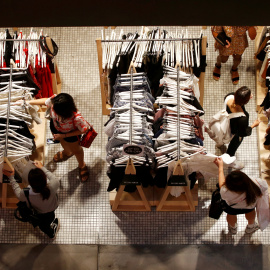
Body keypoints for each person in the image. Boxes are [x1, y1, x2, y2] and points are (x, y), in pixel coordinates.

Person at [27, 93, 90, 182]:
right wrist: (27, 102)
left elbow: (84, 129)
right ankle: (68, 152)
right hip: (57, 129)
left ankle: (82, 165)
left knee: (77, 150)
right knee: (62, 142)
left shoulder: (76, 118)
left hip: (70, 134)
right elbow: (45, 101)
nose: (52, 108)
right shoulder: (55, 101)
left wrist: (64, 135)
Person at [3, 161, 60, 239]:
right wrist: (42, 167)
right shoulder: (53, 185)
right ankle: (51, 231)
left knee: (43, 226)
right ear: (44, 179)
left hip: (39, 213)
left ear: (30, 183)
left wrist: (11, 177)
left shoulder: (26, 193)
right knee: (50, 218)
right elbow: (53, 177)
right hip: (51, 209)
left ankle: (51, 234)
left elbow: (17, 193)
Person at [214, 157, 263, 234]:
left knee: (231, 214)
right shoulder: (255, 185)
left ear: (228, 183)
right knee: (251, 213)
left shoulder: (225, 191)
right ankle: (251, 227)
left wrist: (220, 167)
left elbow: (221, 183)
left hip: (232, 207)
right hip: (249, 205)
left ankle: (233, 228)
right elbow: (262, 193)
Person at [225, 86, 260, 169]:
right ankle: (229, 160)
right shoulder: (242, 118)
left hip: (227, 122)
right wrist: (253, 125)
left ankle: (219, 144)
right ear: (246, 101)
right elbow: (243, 132)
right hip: (235, 131)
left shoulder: (229, 96)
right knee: (233, 146)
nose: (252, 95)